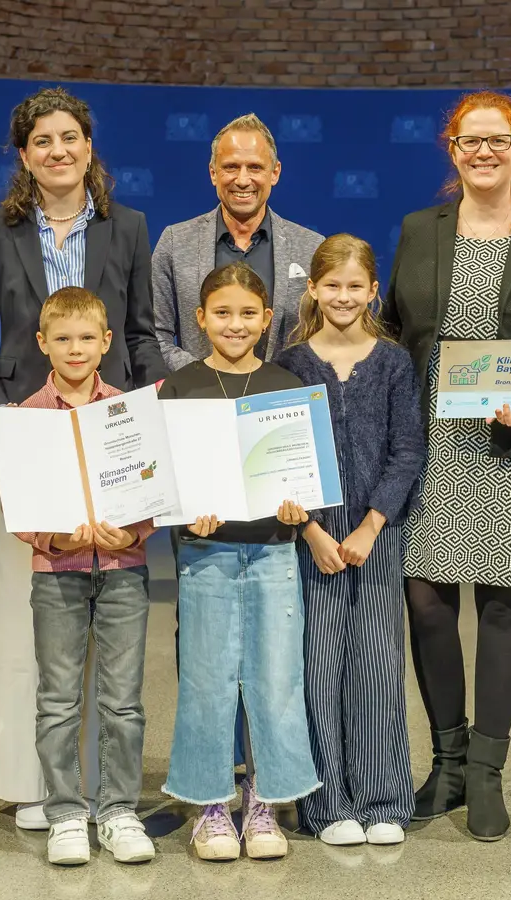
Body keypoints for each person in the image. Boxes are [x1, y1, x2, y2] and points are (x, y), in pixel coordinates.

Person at [381, 90, 511, 842]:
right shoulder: (419, 229)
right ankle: (449, 764)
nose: (484, 152)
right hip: (431, 445)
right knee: (429, 606)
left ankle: (489, 774)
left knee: (503, 609)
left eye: (499, 140)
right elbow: (396, 331)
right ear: (452, 148)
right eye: (470, 140)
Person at [0, 86, 167, 831]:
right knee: (26, 625)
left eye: (69, 137)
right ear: (24, 155)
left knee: (109, 617)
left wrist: (149, 419)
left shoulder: (128, 227)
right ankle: (36, 786)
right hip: (29, 440)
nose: (58, 150)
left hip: (111, 437)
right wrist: (8, 428)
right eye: (42, 140)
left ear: (88, 147)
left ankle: (107, 797)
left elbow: (140, 336)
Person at [159, 262, 320, 862]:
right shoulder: (179, 389)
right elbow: (166, 478)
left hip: (274, 551)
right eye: (222, 313)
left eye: (248, 313)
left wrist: (301, 507)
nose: (235, 324)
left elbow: (306, 471)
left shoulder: (286, 385)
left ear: (268, 318)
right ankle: (209, 805)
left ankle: (264, 800)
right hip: (207, 554)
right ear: (200, 318)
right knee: (207, 680)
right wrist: (185, 517)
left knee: (276, 679)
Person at [274, 235, 425, 847]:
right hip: (310, 539)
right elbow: (279, 452)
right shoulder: (289, 364)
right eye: (331, 285)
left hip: (376, 535)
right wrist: (311, 529)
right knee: (317, 667)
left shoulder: (392, 363)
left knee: (377, 664)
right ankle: (326, 802)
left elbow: (407, 450)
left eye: (354, 286)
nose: (342, 296)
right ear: (312, 289)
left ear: (373, 292)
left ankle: (383, 798)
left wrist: (371, 525)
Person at [11, 287, 158, 867]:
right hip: (57, 574)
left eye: (87, 338)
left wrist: (134, 532)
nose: (76, 349)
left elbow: (150, 488)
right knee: (57, 700)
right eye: (63, 338)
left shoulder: (128, 410)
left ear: (106, 342)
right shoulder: (28, 417)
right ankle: (66, 814)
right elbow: (21, 509)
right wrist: (57, 539)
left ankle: (119, 811)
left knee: (123, 701)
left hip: (123, 571)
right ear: (42, 343)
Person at [152, 113, 324, 371]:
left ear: (275, 173)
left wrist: (282, 381)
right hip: (200, 392)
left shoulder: (311, 248)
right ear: (213, 173)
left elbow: (324, 338)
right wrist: (203, 377)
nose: (243, 180)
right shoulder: (175, 243)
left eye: (255, 167)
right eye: (231, 167)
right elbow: (154, 336)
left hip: (286, 394)